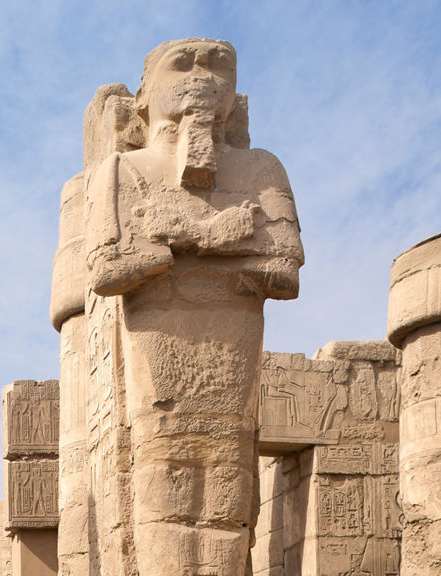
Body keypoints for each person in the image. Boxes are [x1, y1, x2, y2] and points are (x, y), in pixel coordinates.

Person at [82, 38, 303, 574]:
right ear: (145, 97)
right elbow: (108, 270)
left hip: (230, 370)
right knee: (165, 501)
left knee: (228, 509)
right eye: (183, 62)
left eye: (219, 63)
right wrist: (215, 238)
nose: (203, 73)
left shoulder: (261, 169)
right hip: (159, 372)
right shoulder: (122, 171)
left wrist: (183, 239)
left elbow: (286, 271)